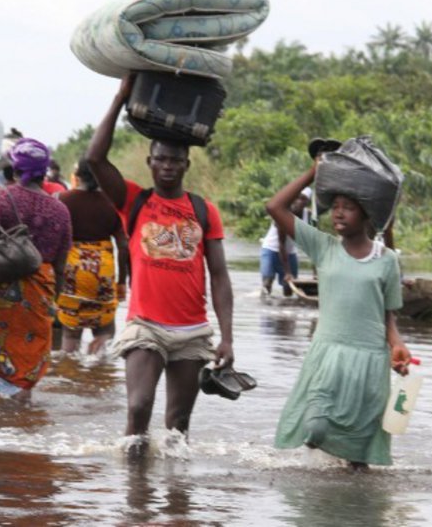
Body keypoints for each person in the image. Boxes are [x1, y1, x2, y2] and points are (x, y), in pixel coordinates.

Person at [86, 77, 234, 457]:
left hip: (191, 331)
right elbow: (95, 159)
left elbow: (219, 276)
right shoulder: (133, 200)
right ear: (150, 162)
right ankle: (135, 505)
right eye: (161, 159)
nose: (168, 166)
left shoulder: (204, 211)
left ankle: (175, 508)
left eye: (175, 160)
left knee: (177, 427)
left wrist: (227, 337)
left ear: (187, 163)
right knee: (138, 409)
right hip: (146, 326)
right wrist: (121, 97)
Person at [266, 158, 411, 470]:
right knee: (315, 428)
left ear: (366, 214)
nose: (339, 213)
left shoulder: (386, 261)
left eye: (349, 207)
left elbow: (388, 317)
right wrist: (312, 172)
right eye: (335, 206)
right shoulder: (324, 246)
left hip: (369, 362)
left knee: (360, 460)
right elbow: (275, 207)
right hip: (328, 356)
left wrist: (397, 346)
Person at [0, 138, 72, 404]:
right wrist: (53, 301)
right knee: (26, 358)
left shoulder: (1, 197)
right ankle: (22, 421)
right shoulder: (61, 211)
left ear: (14, 167)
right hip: (39, 291)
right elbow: (61, 266)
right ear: (45, 170)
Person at [56, 157, 128, 355]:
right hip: (102, 272)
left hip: (72, 272)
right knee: (105, 329)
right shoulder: (113, 203)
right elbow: (123, 245)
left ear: (77, 176)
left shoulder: (62, 199)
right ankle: (99, 369)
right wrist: (122, 281)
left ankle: (70, 374)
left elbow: (54, 241)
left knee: (70, 335)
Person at [260, 188, 311, 297]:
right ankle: (266, 309)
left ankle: (286, 312)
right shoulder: (283, 214)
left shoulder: (308, 214)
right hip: (271, 250)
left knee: (289, 288)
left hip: (291, 252)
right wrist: (287, 272)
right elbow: (281, 245)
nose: (298, 201)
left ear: (307, 202)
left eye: (303, 199)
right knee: (267, 283)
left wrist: (317, 272)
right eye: (296, 198)